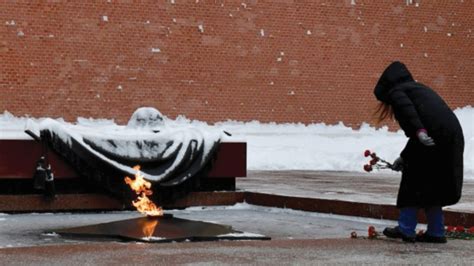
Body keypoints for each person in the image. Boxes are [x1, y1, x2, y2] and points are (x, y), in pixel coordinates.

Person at [373, 61, 464, 243]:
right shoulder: (418, 88)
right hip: (450, 136)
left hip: (430, 135)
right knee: (433, 185)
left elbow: (409, 112)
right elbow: (421, 129)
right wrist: (404, 156)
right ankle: (436, 232)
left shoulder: (398, 92)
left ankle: (406, 229)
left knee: (412, 182)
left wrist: (419, 132)